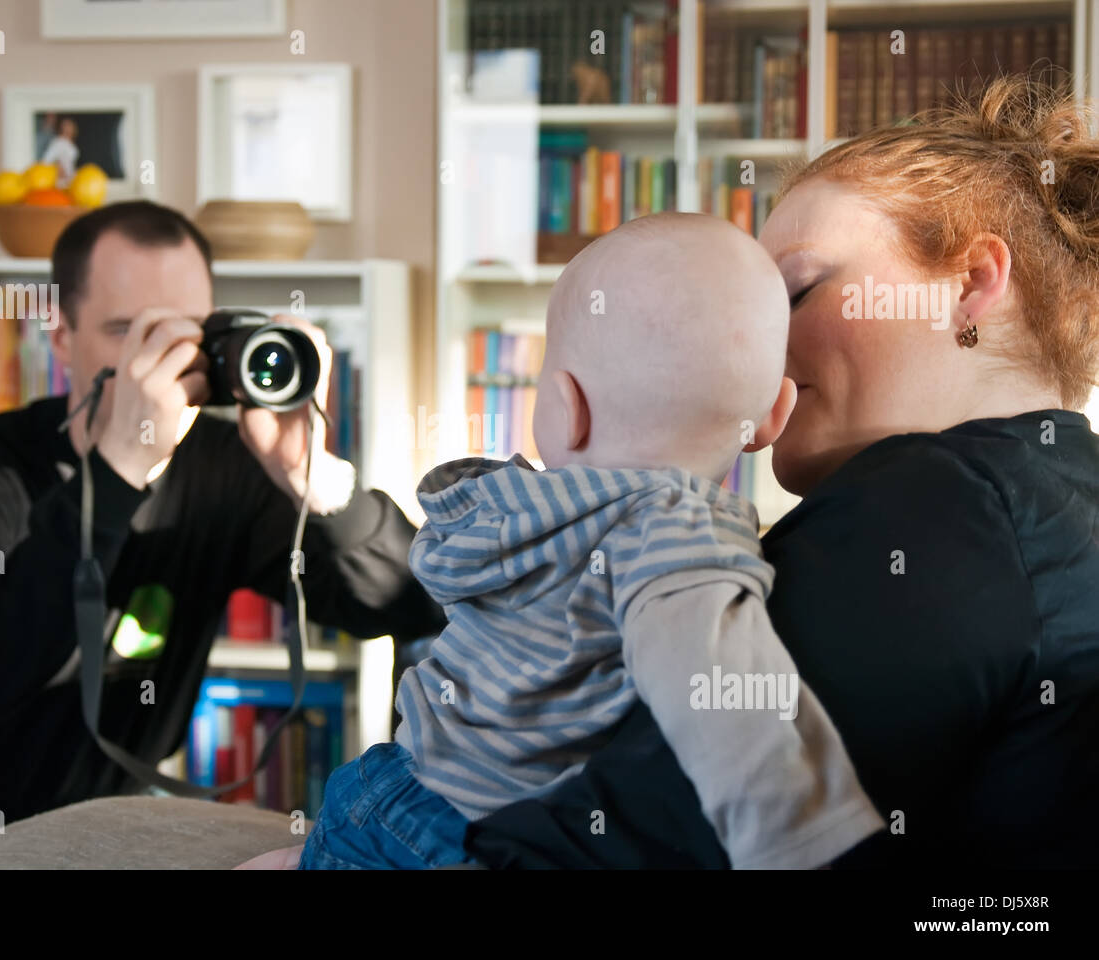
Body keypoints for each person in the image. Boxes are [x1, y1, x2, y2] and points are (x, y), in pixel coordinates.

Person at [462, 77, 1099, 869]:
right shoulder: (1057, 496)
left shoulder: (938, 501)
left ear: (971, 285)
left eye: (794, 292)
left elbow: (617, 840)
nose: (756, 354)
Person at [258, 214, 884, 869]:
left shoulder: (510, 509)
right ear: (772, 418)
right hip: (462, 841)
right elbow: (724, 704)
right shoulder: (675, 536)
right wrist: (809, 841)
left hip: (383, 788)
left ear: (565, 406)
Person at [0, 200, 446, 869]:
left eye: (187, 331)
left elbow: (409, 604)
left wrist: (315, 480)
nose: (165, 361)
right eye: (130, 331)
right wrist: (122, 464)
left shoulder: (230, 470)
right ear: (62, 337)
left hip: (105, 842)